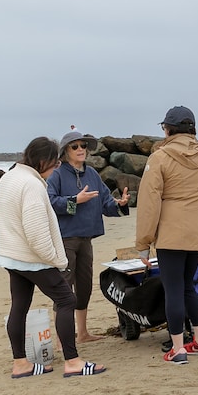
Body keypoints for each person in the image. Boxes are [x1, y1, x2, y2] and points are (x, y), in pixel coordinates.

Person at [0, 136, 107, 379]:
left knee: (19, 306)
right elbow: (36, 233)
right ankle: (72, 362)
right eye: (54, 162)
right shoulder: (32, 185)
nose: (56, 167)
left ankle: (20, 364)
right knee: (66, 300)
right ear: (43, 160)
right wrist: (57, 261)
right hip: (31, 257)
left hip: (10, 255)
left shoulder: (8, 177)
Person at [136, 106, 198, 364]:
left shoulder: (160, 158)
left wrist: (143, 242)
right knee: (188, 286)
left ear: (168, 130)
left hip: (172, 234)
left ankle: (178, 347)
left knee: (173, 289)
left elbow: (149, 203)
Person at [47, 129, 130, 342]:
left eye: (83, 146)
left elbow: (106, 202)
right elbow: (49, 203)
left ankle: (82, 333)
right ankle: (62, 339)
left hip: (86, 239)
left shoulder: (92, 174)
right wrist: (75, 200)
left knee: (84, 287)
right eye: (75, 146)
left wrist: (120, 204)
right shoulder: (57, 174)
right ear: (65, 151)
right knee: (64, 289)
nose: (80, 149)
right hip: (65, 239)